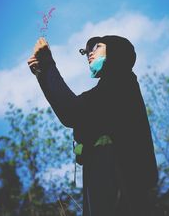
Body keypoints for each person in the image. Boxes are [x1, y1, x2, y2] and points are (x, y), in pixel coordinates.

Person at [27, 35, 158, 216]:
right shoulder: (111, 87)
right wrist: (43, 73)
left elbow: (73, 112)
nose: (89, 54)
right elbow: (71, 113)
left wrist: (48, 65)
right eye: (87, 52)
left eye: (96, 47)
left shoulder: (121, 81)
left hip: (117, 185)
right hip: (103, 180)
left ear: (115, 51)